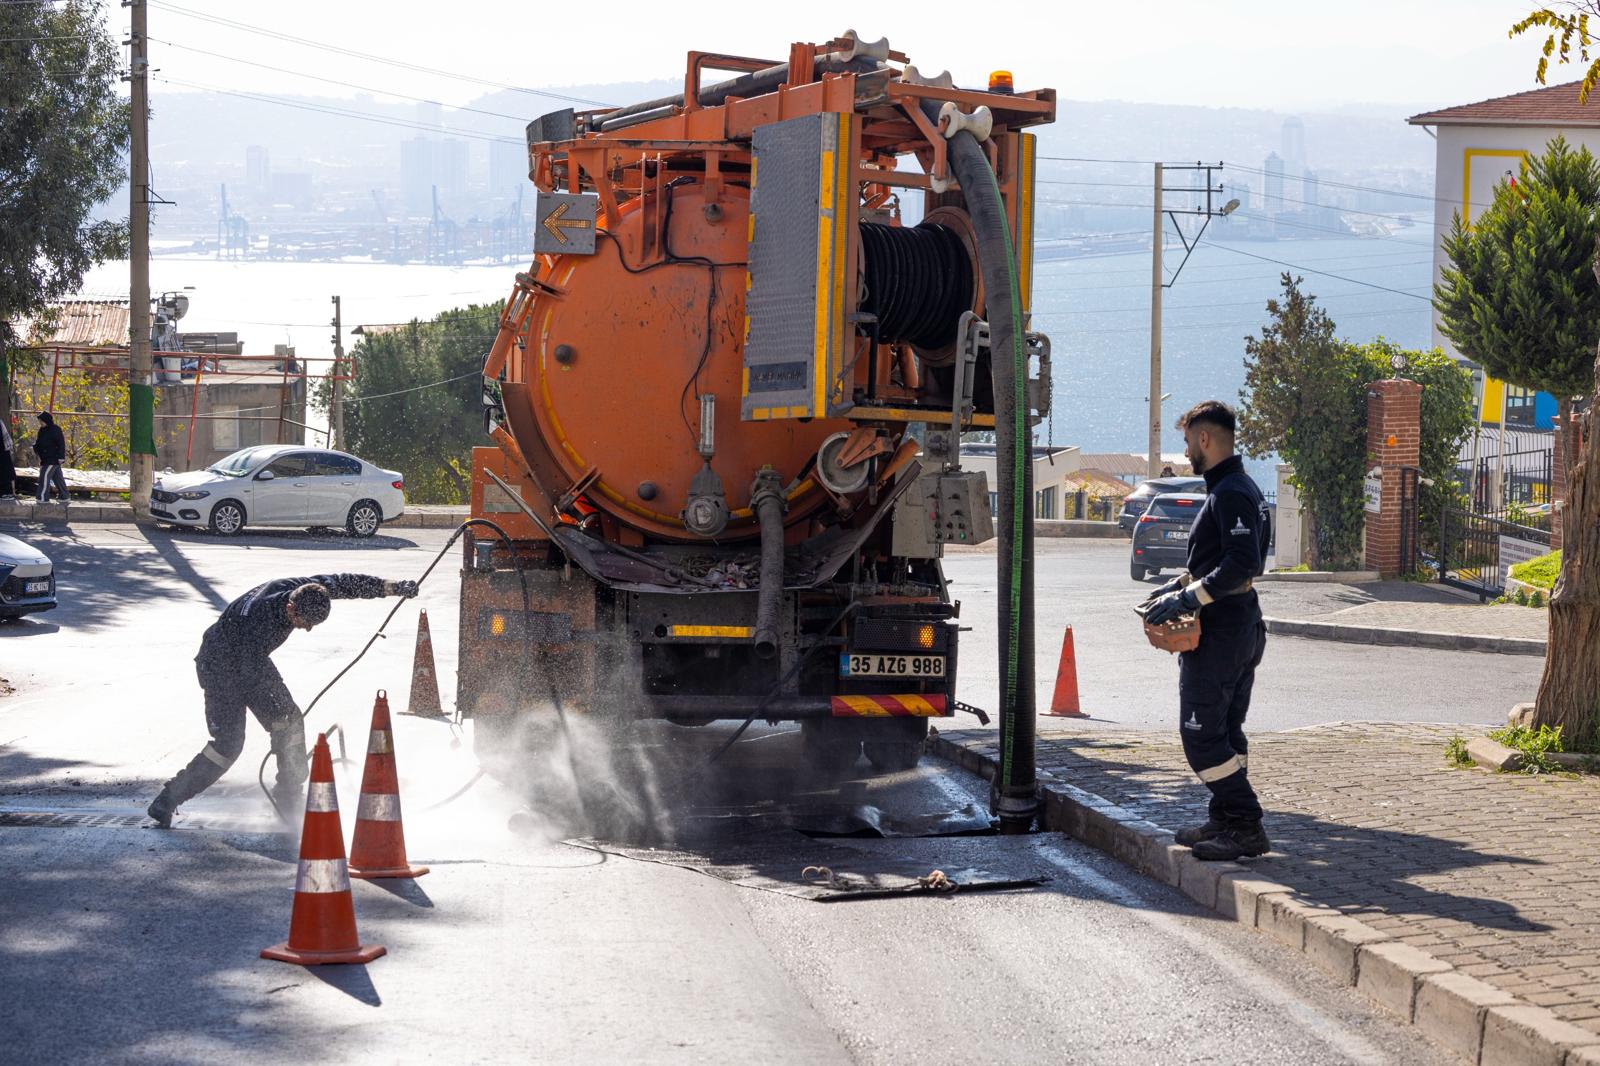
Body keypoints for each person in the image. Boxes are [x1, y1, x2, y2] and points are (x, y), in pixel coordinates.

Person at [147, 573, 420, 827]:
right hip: (220, 666)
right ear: (291, 609)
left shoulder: (301, 589)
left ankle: (289, 798)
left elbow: (343, 582)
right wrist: (278, 719)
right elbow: (252, 678)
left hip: (249, 660)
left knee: (288, 723)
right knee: (229, 745)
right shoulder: (258, 620)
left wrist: (392, 588)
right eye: (305, 623)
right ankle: (168, 800)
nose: (308, 630)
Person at [1140, 400, 1272, 861]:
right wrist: (1174, 587)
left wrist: (1189, 598)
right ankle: (1226, 818)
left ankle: (1247, 824)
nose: (1186, 450)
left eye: (1187, 440)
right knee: (1226, 730)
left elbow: (1242, 563)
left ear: (1204, 439)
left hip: (1223, 632)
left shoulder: (1231, 491)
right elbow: (1216, 561)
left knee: (1199, 734)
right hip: (1239, 626)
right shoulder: (1240, 488)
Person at [32, 412, 67, 505]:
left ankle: (42, 497)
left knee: (44, 477)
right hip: (46, 458)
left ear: (47, 421)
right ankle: (64, 496)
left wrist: (61, 457)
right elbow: (39, 441)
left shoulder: (56, 430)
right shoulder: (42, 430)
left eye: (42, 421)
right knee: (58, 478)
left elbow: (61, 444)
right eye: (40, 421)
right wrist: (35, 447)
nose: (41, 423)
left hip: (53, 458)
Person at [0, 415, 16, 500]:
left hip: (2, 451)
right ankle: (7, 493)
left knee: (4, 473)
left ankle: (7, 493)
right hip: (4, 451)